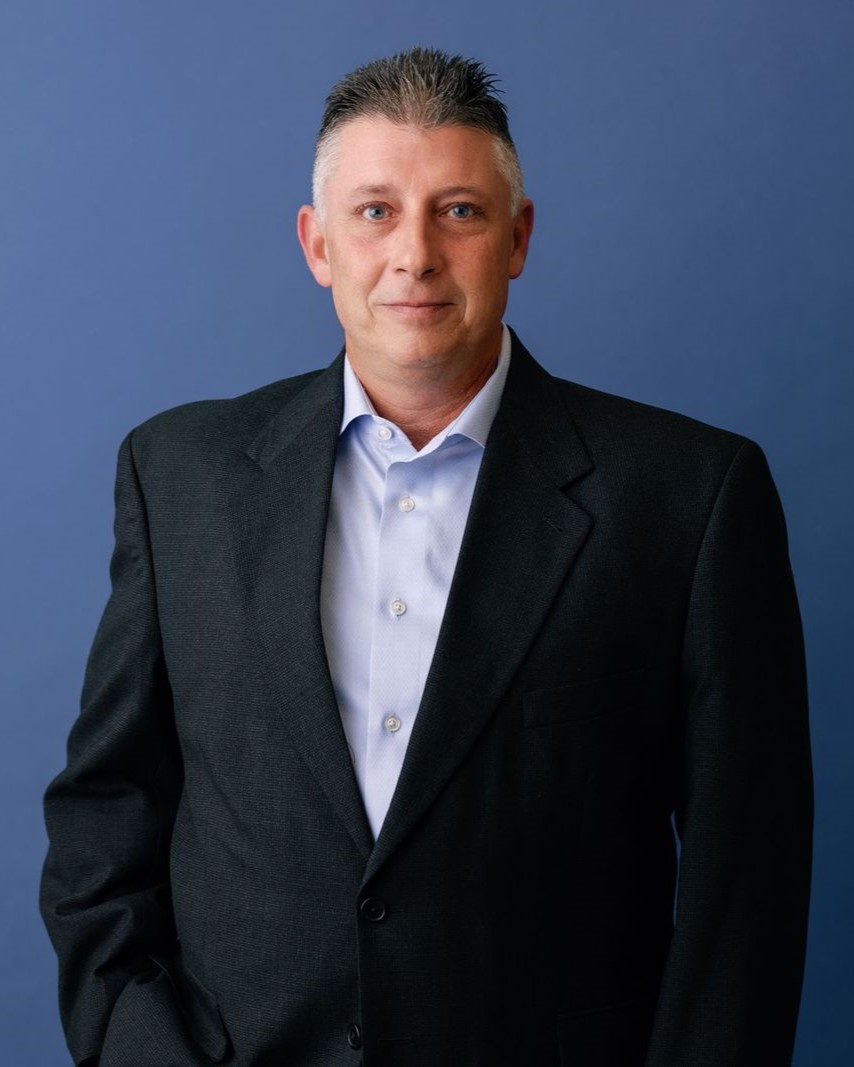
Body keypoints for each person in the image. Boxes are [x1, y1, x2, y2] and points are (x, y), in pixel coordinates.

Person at [41, 46, 812, 1067]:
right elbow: (107, 811)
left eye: (458, 211)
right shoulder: (178, 473)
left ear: (517, 237)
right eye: (374, 211)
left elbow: (744, 885)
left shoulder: (688, 496)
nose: (414, 254)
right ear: (317, 243)